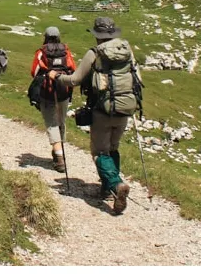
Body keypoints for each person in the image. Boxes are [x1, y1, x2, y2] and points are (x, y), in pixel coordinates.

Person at [47, 17, 140, 215]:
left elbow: (75, 79)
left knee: (99, 152)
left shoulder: (94, 53)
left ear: (97, 36)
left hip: (102, 109)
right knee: (113, 148)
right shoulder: (127, 51)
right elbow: (137, 78)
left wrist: (57, 77)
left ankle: (116, 185)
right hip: (126, 108)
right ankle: (107, 189)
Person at [30, 26, 77, 173]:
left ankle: (59, 157)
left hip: (47, 92)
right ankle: (59, 151)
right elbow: (73, 69)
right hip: (64, 91)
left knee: (51, 123)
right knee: (61, 121)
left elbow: (34, 72)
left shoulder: (41, 52)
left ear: (46, 36)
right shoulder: (66, 50)